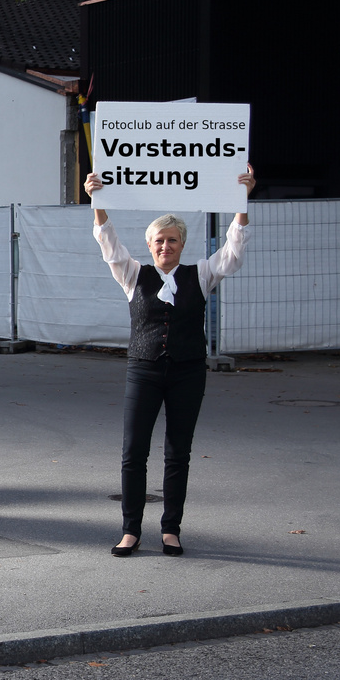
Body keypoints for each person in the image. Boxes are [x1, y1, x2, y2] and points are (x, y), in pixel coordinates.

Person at [85, 164, 257, 557]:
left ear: (183, 244)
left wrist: (241, 201)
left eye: (173, 241)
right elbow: (108, 242)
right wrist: (97, 199)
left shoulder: (201, 274)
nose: (166, 247)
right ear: (150, 245)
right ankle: (130, 530)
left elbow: (233, 252)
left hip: (188, 372)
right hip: (143, 370)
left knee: (178, 451)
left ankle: (171, 529)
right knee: (134, 452)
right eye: (160, 241)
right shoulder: (132, 275)